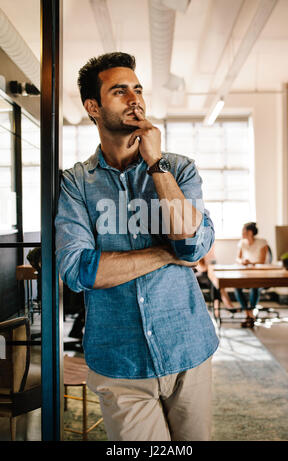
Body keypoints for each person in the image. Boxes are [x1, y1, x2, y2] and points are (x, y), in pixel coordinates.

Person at [55, 52, 219, 441]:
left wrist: (155, 164)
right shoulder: (76, 184)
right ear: (93, 107)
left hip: (187, 349)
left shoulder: (178, 169)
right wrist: (165, 253)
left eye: (138, 89)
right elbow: (80, 271)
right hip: (119, 360)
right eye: (119, 90)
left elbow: (192, 245)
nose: (135, 99)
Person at [235, 222, 269, 328]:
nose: (241, 232)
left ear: (249, 232)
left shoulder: (262, 242)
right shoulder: (242, 243)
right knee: (237, 287)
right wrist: (242, 261)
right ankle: (248, 314)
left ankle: (249, 314)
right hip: (245, 272)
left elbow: (262, 261)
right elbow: (237, 258)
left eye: (243, 230)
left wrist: (251, 263)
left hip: (258, 273)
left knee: (254, 287)